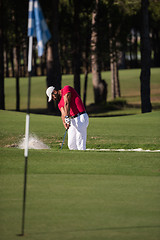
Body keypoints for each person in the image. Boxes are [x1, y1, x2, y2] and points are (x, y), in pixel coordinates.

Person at [46, 85, 89, 150]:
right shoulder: (59, 103)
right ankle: (74, 159)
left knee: (80, 142)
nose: (53, 99)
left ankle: (82, 157)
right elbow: (63, 113)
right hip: (72, 120)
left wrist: (66, 117)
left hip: (80, 117)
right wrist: (64, 122)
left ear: (54, 91)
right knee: (71, 145)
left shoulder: (66, 89)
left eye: (53, 97)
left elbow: (67, 102)